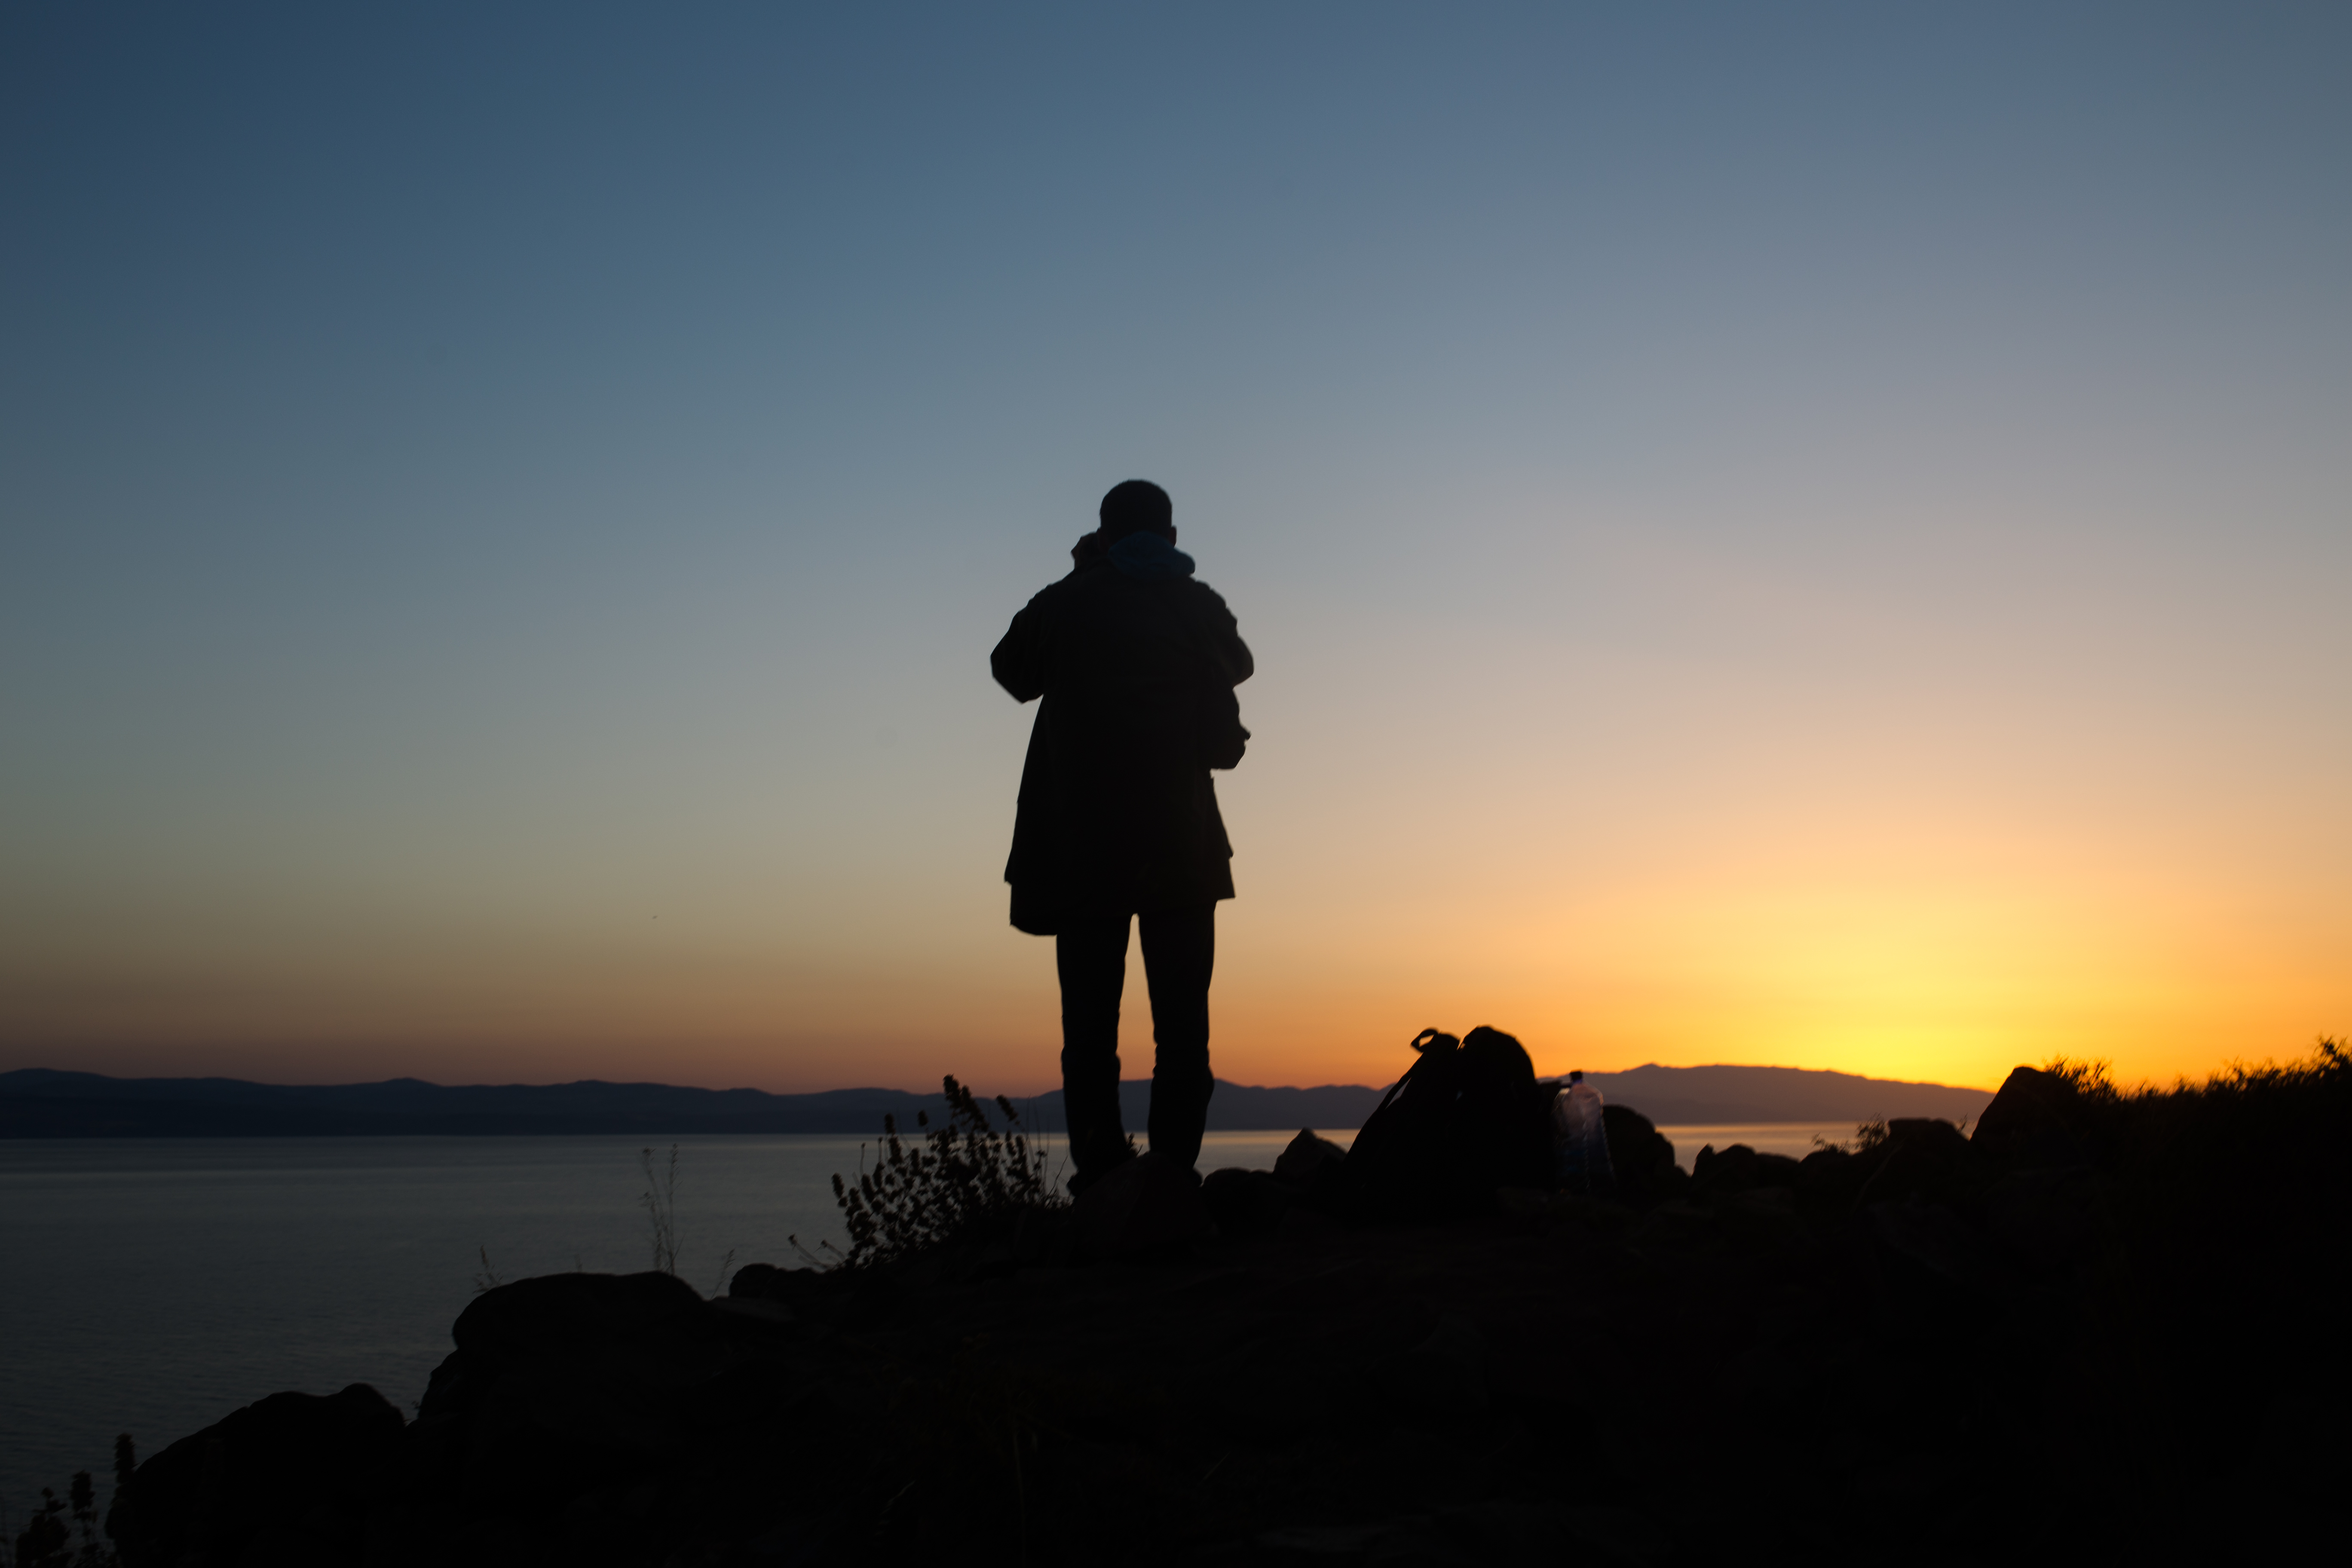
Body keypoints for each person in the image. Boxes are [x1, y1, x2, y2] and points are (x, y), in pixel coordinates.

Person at [990, 480, 1253, 1190]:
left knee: (1089, 1029)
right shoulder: (1196, 604)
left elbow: (1011, 670)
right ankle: (1172, 1174)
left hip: (1083, 850)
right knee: (1183, 1028)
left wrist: (1082, 575)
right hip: (1183, 848)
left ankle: (1103, 1174)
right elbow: (1239, 665)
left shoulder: (1071, 601)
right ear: (1171, 537)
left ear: (1102, 538)